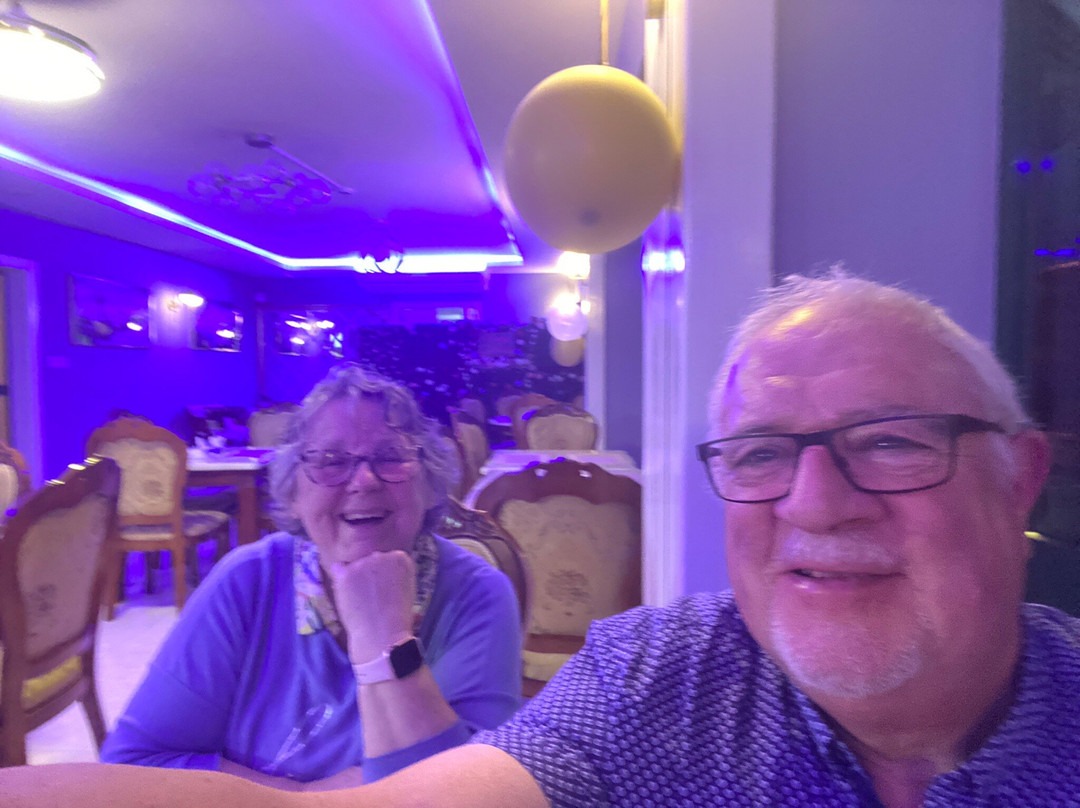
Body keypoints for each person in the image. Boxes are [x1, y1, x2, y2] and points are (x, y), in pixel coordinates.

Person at [4, 273, 1080, 807]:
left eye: (890, 442)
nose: (816, 501)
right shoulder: (656, 678)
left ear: (1021, 476)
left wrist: (383, 641)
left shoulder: (472, 590)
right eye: (760, 453)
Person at [97, 363, 523, 789]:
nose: (364, 480)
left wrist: (385, 641)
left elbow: (470, 794)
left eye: (391, 457)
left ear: (430, 484)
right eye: (330, 461)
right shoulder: (247, 581)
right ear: (293, 494)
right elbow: (133, 765)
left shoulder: (476, 593)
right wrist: (302, 796)